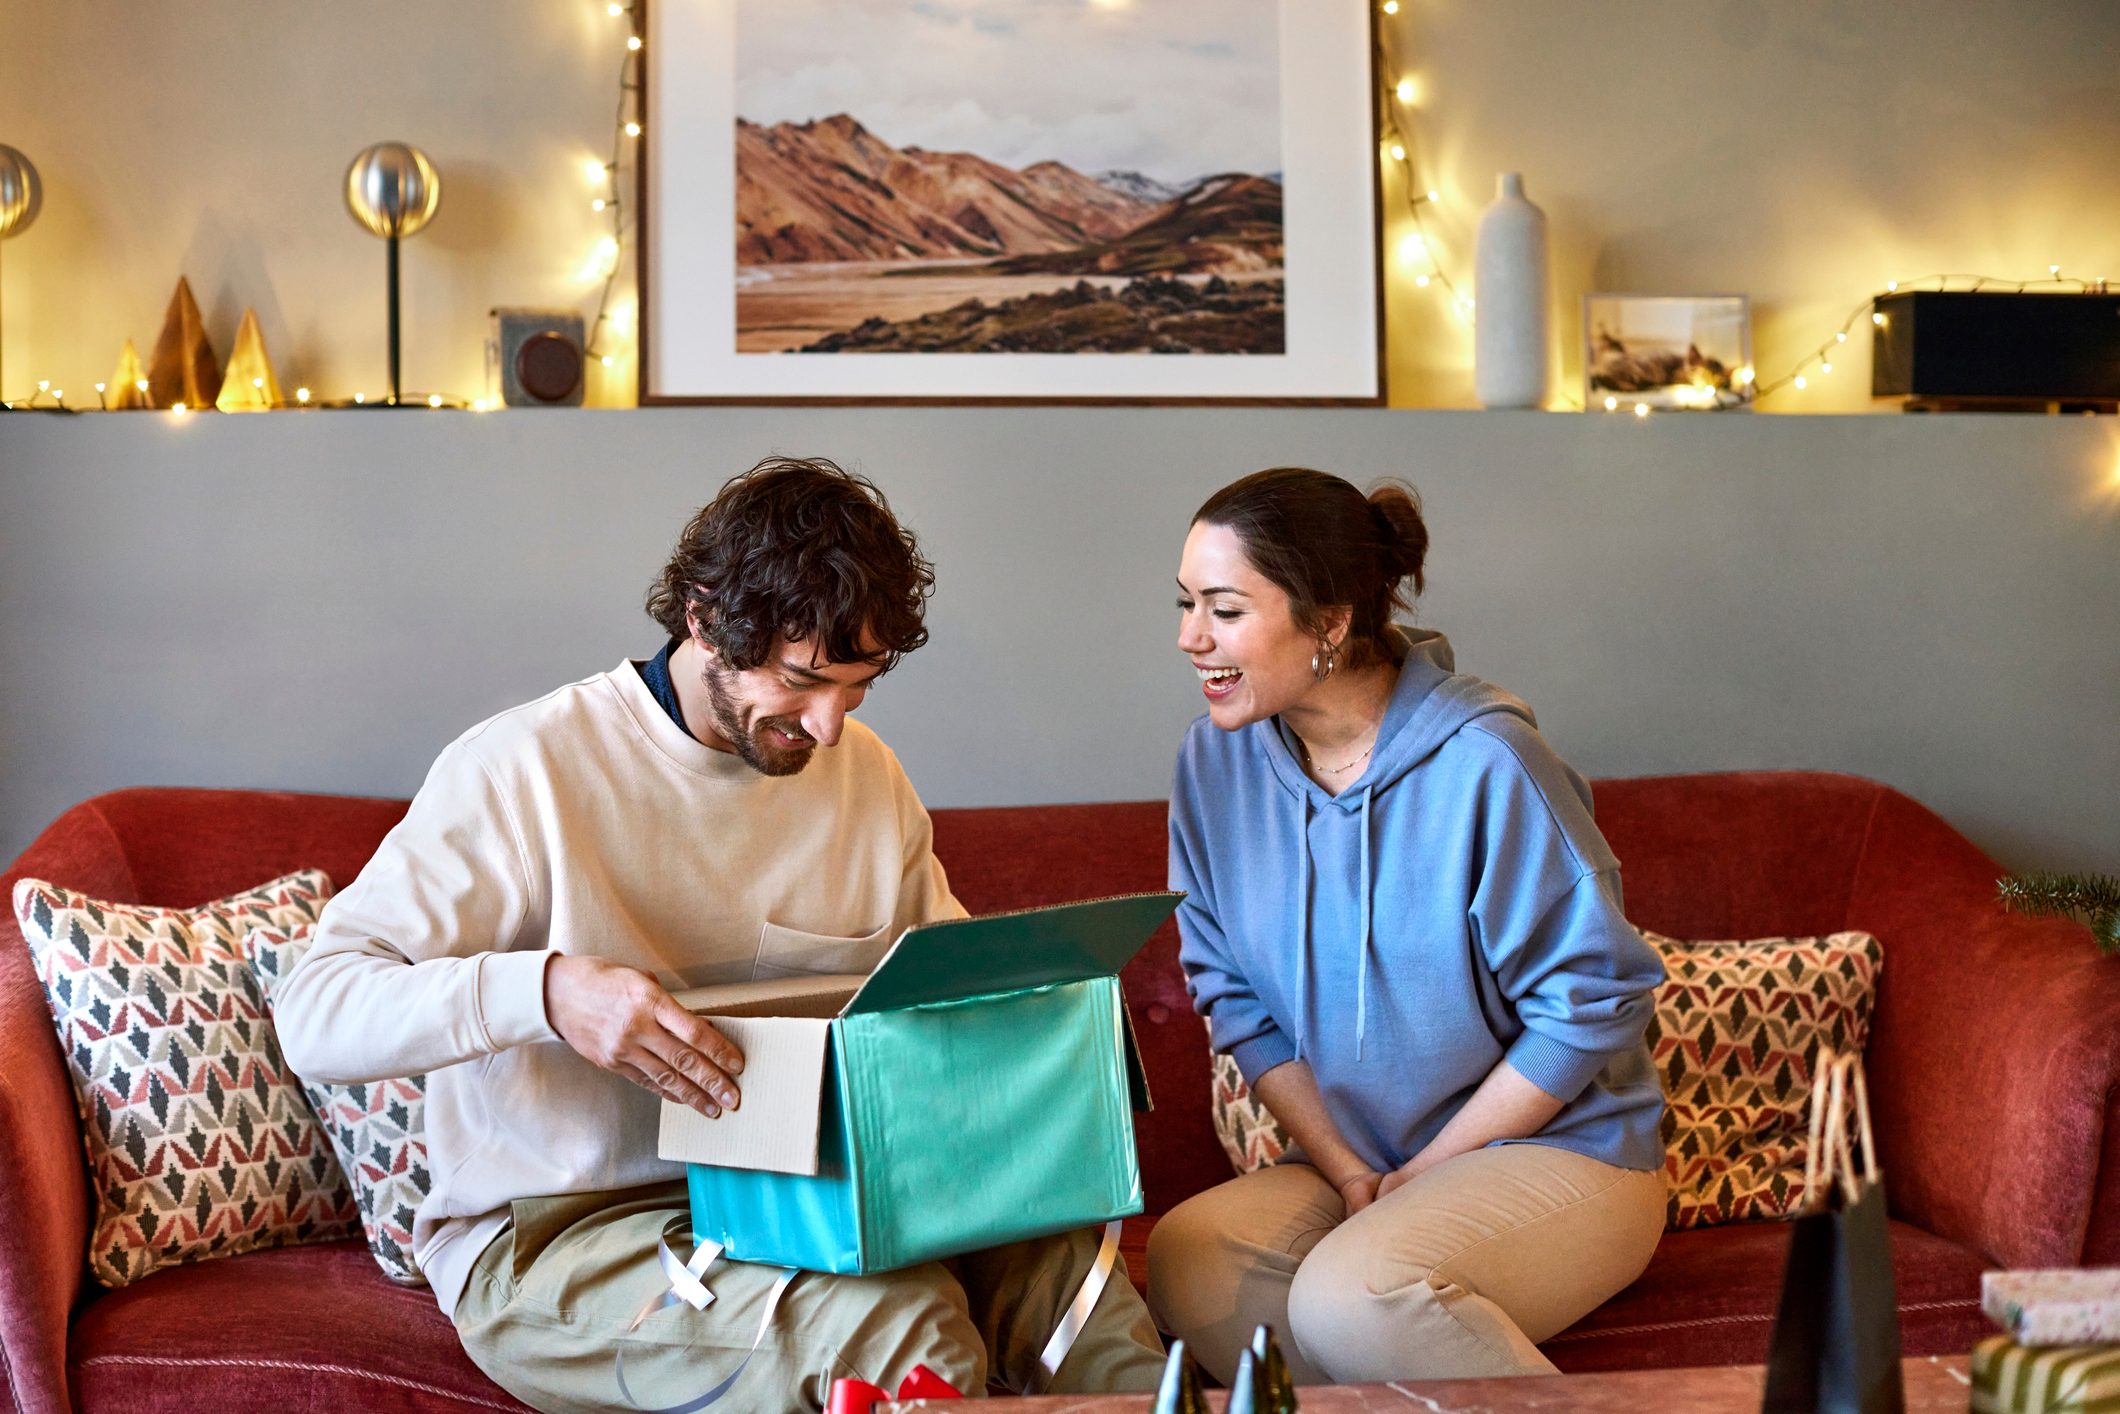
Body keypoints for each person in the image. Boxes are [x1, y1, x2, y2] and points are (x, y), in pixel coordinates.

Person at [276, 457, 1164, 1413]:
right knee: (895, 1330)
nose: (829, 728)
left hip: (822, 1196)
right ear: (704, 620)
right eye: (802, 680)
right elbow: (315, 1015)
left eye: (857, 688)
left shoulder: (865, 777)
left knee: (1083, 1295)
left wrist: (1039, 1030)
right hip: (562, 1235)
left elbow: (939, 999)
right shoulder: (522, 770)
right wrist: (548, 993)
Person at [1147, 466, 1666, 1385]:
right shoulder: (1211, 768)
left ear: (1332, 618)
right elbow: (1231, 994)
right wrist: (1351, 1171)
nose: (1190, 638)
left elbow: (1590, 1004)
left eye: (1224, 610)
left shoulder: (1488, 763)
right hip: (1362, 1158)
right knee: (1194, 1262)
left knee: (1356, 1298)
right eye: (1186, 603)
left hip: (1559, 1154)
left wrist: (1428, 1170)